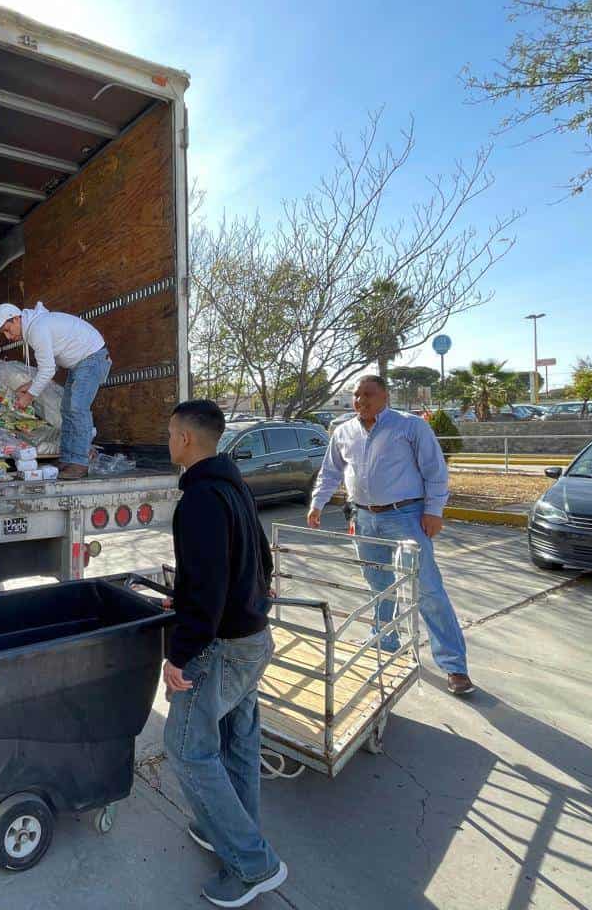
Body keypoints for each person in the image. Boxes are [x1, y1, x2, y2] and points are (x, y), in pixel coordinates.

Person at [162, 399, 287, 908]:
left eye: (170, 433)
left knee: (187, 749)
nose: (168, 441)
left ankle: (252, 863)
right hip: (253, 638)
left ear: (186, 439)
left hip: (221, 647)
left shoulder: (198, 499)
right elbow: (261, 558)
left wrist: (179, 653)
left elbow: (212, 583)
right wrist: (198, 597)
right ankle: (231, 831)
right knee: (237, 741)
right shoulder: (233, 486)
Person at [308, 374, 475, 695]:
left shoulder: (410, 427)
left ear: (386, 395)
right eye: (357, 395)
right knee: (379, 585)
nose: (361, 400)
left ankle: (454, 666)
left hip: (407, 516)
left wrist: (434, 511)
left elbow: (435, 471)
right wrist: (317, 502)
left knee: (427, 589)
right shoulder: (343, 431)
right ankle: (386, 642)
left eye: (368, 394)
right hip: (364, 517)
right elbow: (331, 471)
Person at [0, 301, 110, 479]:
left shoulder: (37, 329)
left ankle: (80, 463)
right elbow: (50, 366)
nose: (7, 336)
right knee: (67, 410)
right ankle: (67, 458)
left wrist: (29, 396)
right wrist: (30, 386)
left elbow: (47, 370)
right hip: (81, 362)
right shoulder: (35, 327)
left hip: (92, 358)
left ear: (16, 319)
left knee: (77, 408)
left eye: (7, 330)